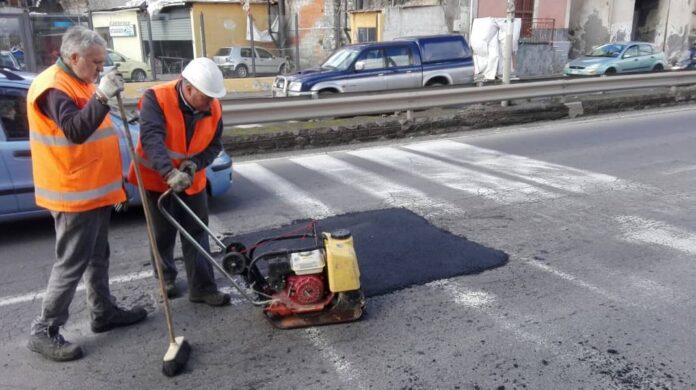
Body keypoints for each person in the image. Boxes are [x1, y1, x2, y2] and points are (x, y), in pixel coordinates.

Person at [26, 26, 147, 362]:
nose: (99, 69)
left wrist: (117, 187)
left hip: (94, 191)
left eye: (101, 63)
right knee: (71, 264)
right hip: (73, 194)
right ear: (73, 57)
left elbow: (96, 134)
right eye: (95, 63)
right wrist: (102, 97)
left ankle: (103, 312)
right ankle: (44, 329)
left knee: (98, 257)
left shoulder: (80, 80)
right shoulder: (52, 88)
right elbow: (76, 131)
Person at [128, 57, 230, 306]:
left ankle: (203, 287)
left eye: (212, 97)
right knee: (162, 233)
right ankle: (166, 279)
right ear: (188, 88)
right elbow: (151, 138)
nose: (210, 103)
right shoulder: (157, 98)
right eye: (205, 96)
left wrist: (194, 164)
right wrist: (169, 173)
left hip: (192, 179)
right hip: (157, 179)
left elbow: (215, 144)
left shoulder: (213, 106)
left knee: (197, 232)